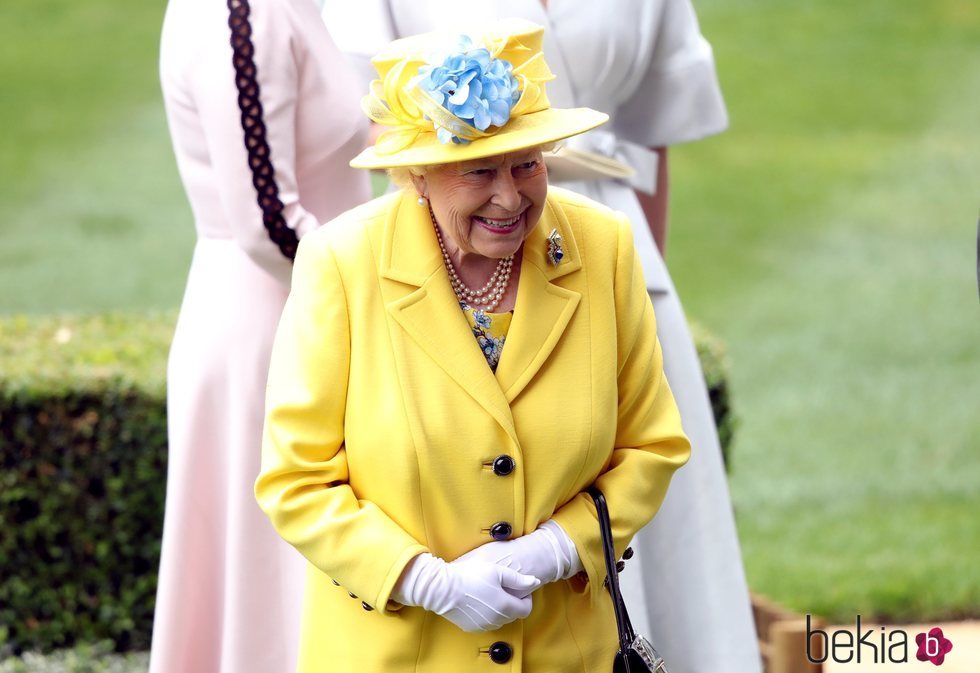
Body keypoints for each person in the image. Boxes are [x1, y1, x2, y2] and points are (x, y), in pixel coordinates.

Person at [321, 3, 761, 671]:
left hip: (602, 257)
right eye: (482, 170)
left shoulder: (607, 248)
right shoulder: (344, 264)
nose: (506, 193)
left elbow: (657, 130)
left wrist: (558, 548)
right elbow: (301, 479)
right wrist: (428, 581)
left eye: (525, 164)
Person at [151, 1, 370, 672]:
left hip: (309, 312)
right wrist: (383, 294)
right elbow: (267, 223)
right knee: (274, 583)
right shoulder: (238, 16)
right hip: (277, 329)